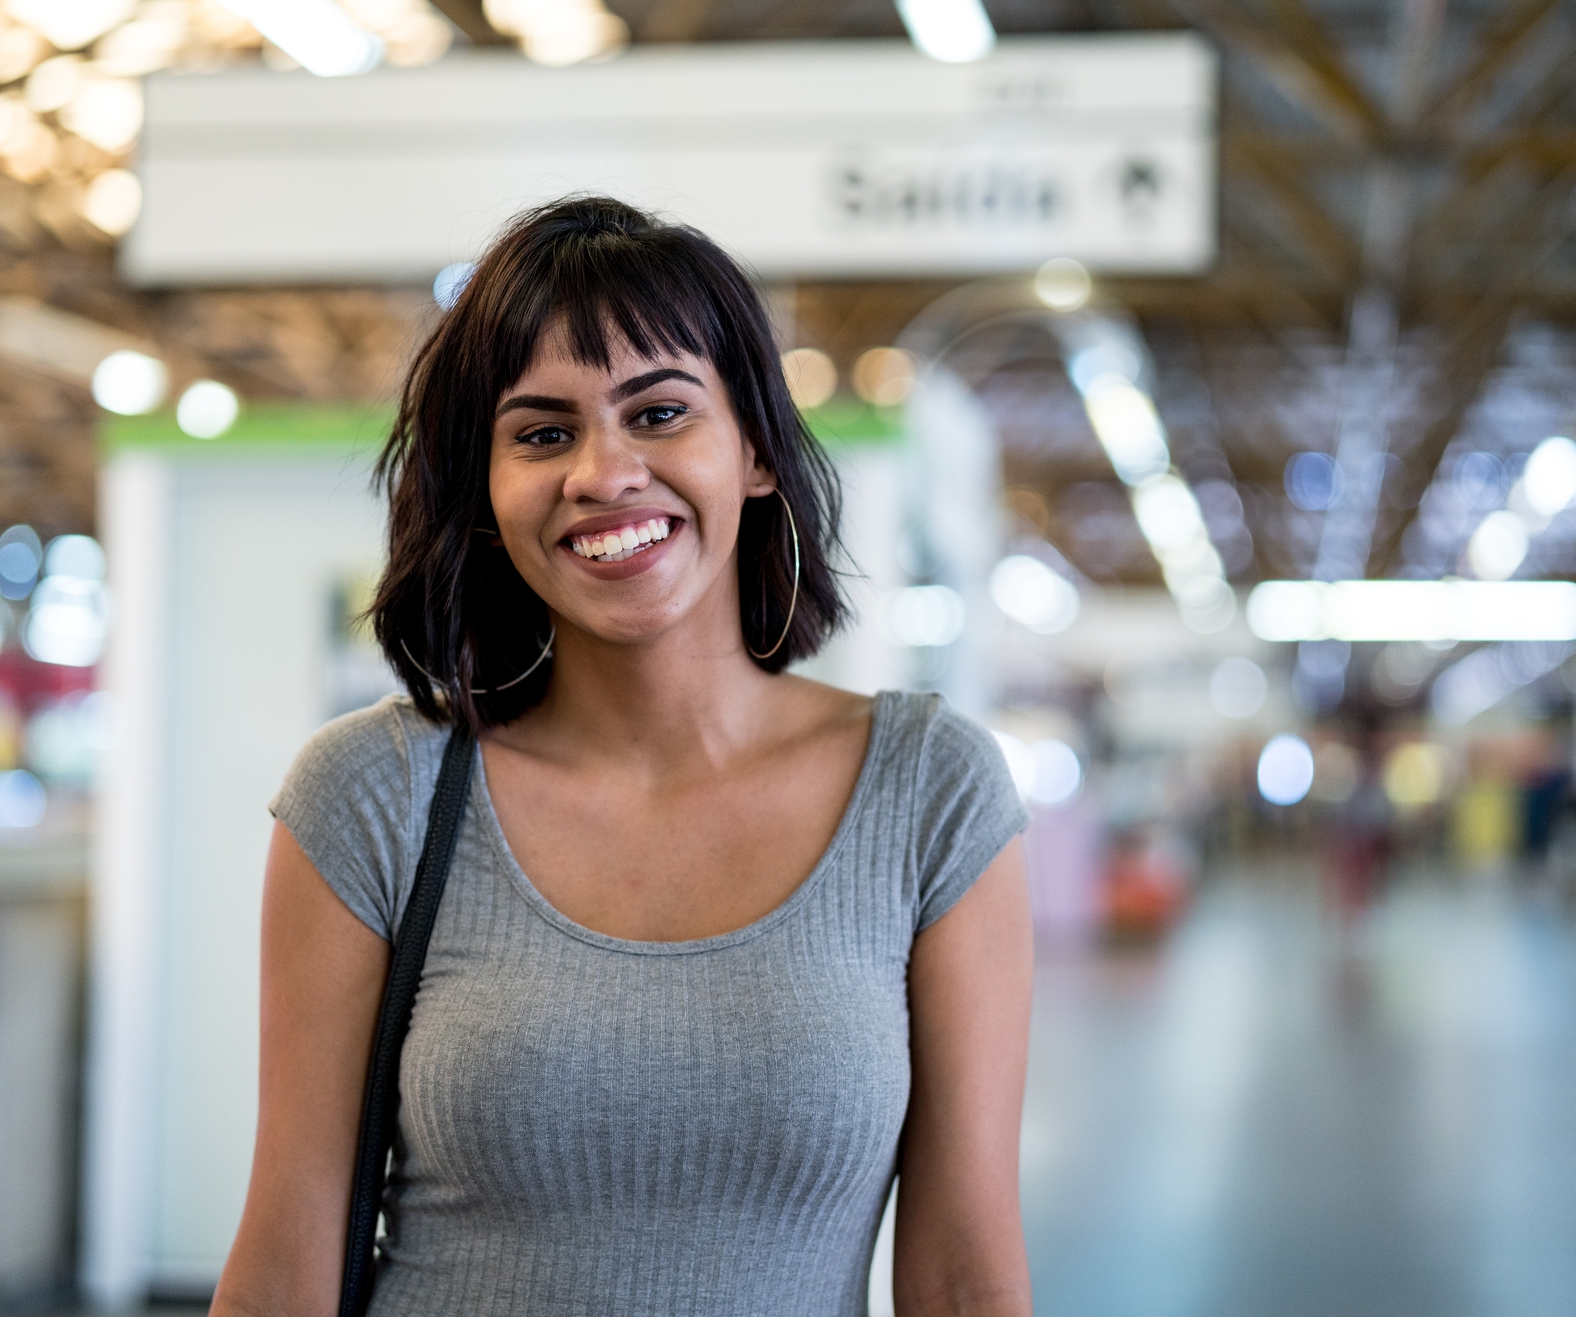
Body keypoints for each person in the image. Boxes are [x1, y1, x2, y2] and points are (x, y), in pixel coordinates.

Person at [211, 197, 1034, 1317]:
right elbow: (284, 1260)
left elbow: (963, 1275)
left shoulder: (928, 791)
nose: (603, 473)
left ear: (752, 449)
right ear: (487, 496)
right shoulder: (373, 798)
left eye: (657, 413)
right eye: (541, 432)